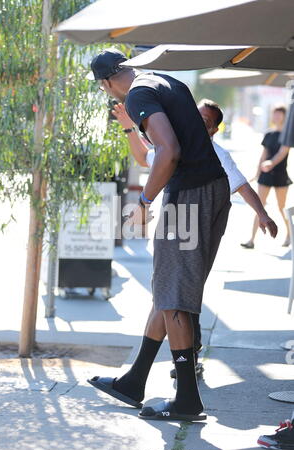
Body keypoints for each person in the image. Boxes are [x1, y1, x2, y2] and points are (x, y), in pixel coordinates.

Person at [87, 48, 231, 422]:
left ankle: (186, 400)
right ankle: (133, 381)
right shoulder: (165, 80)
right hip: (213, 190)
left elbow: (168, 152)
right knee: (169, 290)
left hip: (188, 197)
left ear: (105, 84)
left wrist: (144, 201)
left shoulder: (136, 95)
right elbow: (172, 145)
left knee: (174, 297)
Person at [112, 98, 278, 379]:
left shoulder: (215, 153)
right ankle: (151, 374)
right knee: (168, 296)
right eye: (195, 116)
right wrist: (130, 129)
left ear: (213, 130)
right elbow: (145, 157)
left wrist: (262, 214)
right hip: (176, 225)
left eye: (205, 122)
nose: (196, 123)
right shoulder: (176, 145)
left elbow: (240, 183)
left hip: (193, 229)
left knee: (177, 295)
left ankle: (180, 365)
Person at [241, 105, 291, 249]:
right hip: (266, 174)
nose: (276, 117)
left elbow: (283, 152)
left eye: (279, 114)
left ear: (284, 116)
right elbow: (263, 155)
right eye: (274, 114)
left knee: (282, 207)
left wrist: (271, 163)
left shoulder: (287, 134)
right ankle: (251, 240)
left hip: (281, 175)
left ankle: (289, 235)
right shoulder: (268, 134)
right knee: (259, 207)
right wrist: (257, 173)